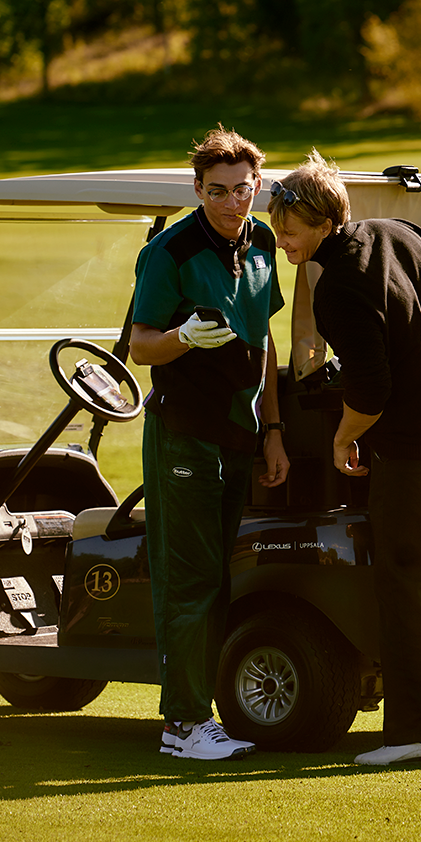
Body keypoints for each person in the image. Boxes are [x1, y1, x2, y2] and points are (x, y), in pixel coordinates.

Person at [269, 150, 421, 765]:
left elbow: (370, 392)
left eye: (290, 228)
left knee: (405, 577)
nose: (282, 239)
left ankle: (417, 733)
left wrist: (343, 436)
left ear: (325, 221)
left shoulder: (338, 289)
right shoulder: (402, 232)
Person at [129, 126, 290, 761]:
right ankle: (182, 726)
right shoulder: (169, 253)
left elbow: (265, 341)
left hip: (237, 433)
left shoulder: (263, 243)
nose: (231, 203)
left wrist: (273, 432)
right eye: (218, 191)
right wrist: (182, 340)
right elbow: (142, 344)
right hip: (183, 435)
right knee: (189, 578)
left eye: (242, 190)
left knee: (217, 577)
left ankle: (200, 717)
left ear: (257, 187)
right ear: (198, 189)